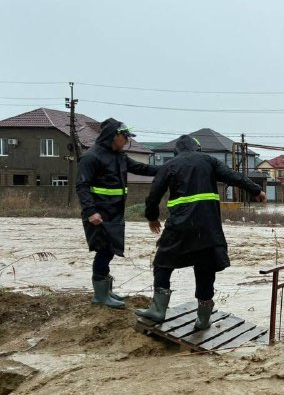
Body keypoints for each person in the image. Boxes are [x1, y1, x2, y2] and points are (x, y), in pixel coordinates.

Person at [135, 135, 267, 329]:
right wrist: (256, 190)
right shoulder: (209, 161)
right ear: (197, 148)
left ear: (177, 151)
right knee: (205, 268)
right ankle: (203, 318)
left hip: (180, 225)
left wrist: (152, 217)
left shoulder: (170, 165)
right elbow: (234, 176)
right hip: (208, 227)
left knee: (163, 263)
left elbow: (153, 195)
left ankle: (158, 310)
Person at [76, 118, 158, 308]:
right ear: (115, 136)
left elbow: (142, 168)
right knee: (104, 251)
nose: (127, 141)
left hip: (114, 213)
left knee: (110, 250)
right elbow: (82, 186)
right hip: (99, 214)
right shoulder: (92, 157)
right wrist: (91, 212)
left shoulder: (119, 156)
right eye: (125, 137)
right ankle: (100, 296)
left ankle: (106, 291)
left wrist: (169, 168)